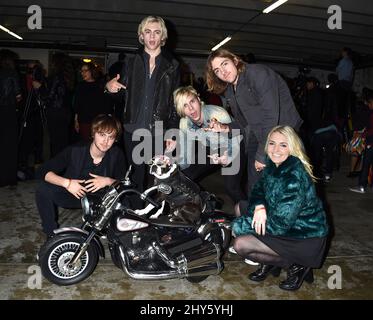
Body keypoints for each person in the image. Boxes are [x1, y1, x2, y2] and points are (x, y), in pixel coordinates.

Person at [232, 126, 329, 291]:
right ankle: (269, 262)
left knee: (241, 244)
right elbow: (258, 190)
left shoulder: (294, 177)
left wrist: (237, 226)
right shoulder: (273, 166)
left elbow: (279, 224)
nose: (276, 149)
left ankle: (298, 265)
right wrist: (260, 207)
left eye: (283, 145)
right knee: (240, 207)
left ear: (292, 148)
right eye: (272, 143)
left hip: (303, 237)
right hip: (287, 227)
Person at [205, 48, 302, 196]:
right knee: (255, 190)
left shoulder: (257, 74)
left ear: (235, 60)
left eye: (225, 64)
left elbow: (271, 116)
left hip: (283, 134)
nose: (222, 72)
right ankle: (257, 216)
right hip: (259, 135)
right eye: (217, 70)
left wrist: (262, 155)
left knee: (287, 190)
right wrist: (225, 128)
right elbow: (244, 124)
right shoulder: (231, 90)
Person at [105, 15, 180, 207]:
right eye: (148, 32)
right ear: (141, 35)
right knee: (135, 176)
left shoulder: (173, 65)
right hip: (134, 129)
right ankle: (136, 217)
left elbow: (175, 102)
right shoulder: (131, 61)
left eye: (156, 32)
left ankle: (158, 217)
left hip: (159, 130)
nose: (152, 37)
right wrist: (109, 87)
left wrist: (172, 132)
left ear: (163, 35)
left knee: (160, 178)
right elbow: (119, 95)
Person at [35, 114, 126, 237]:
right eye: (102, 135)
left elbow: (124, 183)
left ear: (115, 139)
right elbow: (42, 171)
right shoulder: (76, 150)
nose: (105, 141)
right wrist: (68, 183)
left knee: (125, 204)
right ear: (93, 134)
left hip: (100, 200)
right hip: (74, 195)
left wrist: (107, 181)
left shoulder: (117, 154)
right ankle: (50, 234)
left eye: (110, 137)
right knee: (42, 189)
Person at [173, 85, 246, 205]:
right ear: (181, 109)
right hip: (212, 148)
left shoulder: (217, 113)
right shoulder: (184, 124)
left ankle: (249, 217)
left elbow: (234, 140)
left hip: (235, 144)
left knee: (232, 187)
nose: (191, 108)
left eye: (192, 101)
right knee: (186, 177)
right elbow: (184, 158)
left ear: (198, 99)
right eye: (185, 105)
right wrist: (170, 164)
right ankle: (207, 204)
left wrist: (228, 158)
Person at [0, 49, 22, 187]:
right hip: (8, 111)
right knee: (10, 145)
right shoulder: (12, 74)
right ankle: (10, 178)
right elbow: (18, 96)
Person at [74, 62, 110, 141]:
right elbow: (77, 104)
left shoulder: (100, 85)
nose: (83, 73)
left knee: (96, 141)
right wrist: (76, 120)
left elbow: (105, 105)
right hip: (84, 120)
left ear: (92, 71)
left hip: (97, 121)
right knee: (85, 142)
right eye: (82, 71)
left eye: (85, 70)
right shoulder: (80, 86)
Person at [349, 90, 373, 193]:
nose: (368, 105)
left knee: (366, 164)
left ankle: (362, 186)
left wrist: (361, 134)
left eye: (369, 103)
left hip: (371, 142)